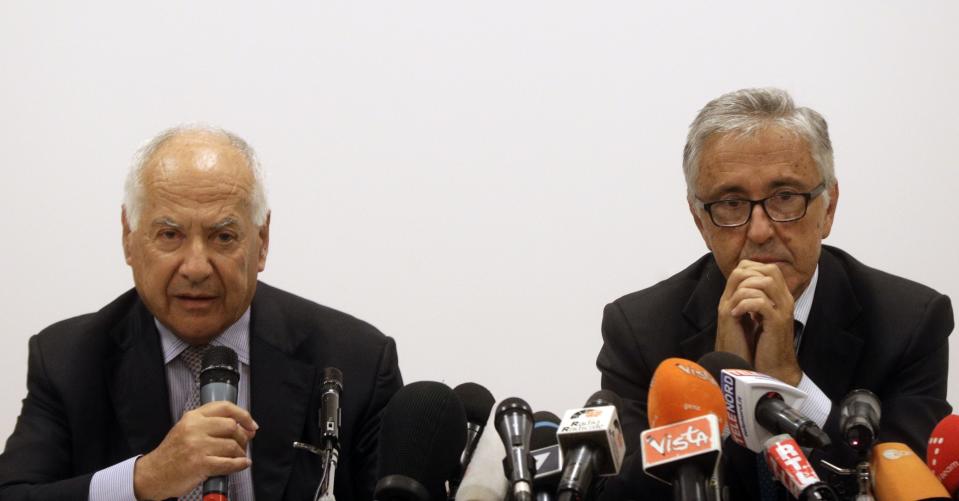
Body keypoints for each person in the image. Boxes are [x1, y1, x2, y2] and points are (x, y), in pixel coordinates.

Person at [0, 126, 403, 500]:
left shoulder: (357, 361)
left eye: (223, 237)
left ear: (261, 242)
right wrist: (142, 479)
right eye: (170, 235)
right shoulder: (68, 360)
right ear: (129, 238)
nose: (195, 267)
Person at [596, 88, 953, 499]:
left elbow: (907, 482)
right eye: (731, 203)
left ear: (829, 207)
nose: (761, 231)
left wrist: (790, 385)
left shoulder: (910, 322)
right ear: (700, 221)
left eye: (785, 197)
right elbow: (623, 491)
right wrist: (721, 401)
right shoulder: (639, 330)